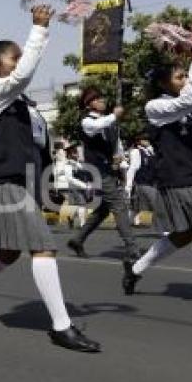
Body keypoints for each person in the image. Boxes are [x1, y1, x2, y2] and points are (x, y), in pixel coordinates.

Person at [0, 5, 100, 353]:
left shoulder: (19, 101)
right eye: (13, 57)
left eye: (21, 56)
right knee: (43, 247)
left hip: (26, 180)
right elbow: (23, 76)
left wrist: (47, 181)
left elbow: (37, 142)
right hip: (5, 183)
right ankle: (61, 327)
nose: (19, 61)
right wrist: (39, 29)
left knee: (7, 251)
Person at [122, 56, 192, 294]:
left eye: (186, 75)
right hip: (179, 177)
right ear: (163, 84)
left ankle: (135, 270)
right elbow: (189, 98)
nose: (186, 80)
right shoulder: (155, 107)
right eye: (180, 77)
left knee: (183, 236)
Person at [67, 88, 137, 259]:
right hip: (96, 169)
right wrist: (115, 115)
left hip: (109, 168)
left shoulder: (109, 122)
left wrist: (119, 159)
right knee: (118, 204)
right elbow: (99, 126)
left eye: (102, 97)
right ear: (90, 103)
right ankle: (131, 246)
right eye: (98, 99)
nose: (102, 100)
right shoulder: (87, 121)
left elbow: (116, 143)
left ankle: (78, 239)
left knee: (104, 209)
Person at [126, 134, 159, 228]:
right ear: (139, 141)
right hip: (142, 181)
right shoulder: (136, 152)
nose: (147, 141)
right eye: (145, 139)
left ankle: (131, 222)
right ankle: (129, 222)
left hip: (151, 181)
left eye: (148, 139)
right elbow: (133, 168)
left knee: (136, 204)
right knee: (152, 203)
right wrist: (128, 185)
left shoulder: (150, 151)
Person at [55, 143, 90, 229]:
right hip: (66, 185)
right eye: (75, 152)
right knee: (81, 202)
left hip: (67, 185)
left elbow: (80, 168)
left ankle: (71, 217)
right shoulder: (67, 163)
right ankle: (82, 224)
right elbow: (70, 179)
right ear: (70, 154)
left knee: (78, 203)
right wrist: (85, 186)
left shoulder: (70, 162)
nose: (77, 154)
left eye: (77, 152)